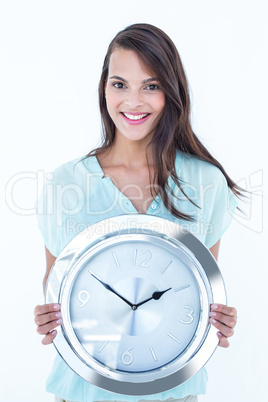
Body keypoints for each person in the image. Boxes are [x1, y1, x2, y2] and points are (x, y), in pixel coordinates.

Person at [34, 23, 240, 402]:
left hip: (174, 393)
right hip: (84, 393)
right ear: (104, 89)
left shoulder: (206, 182)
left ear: (171, 91)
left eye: (151, 85)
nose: (133, 101)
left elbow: (199, 295)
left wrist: (219, 320)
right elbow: (57, 292)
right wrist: (47, 319)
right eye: (119, 84)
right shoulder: (65, 184)